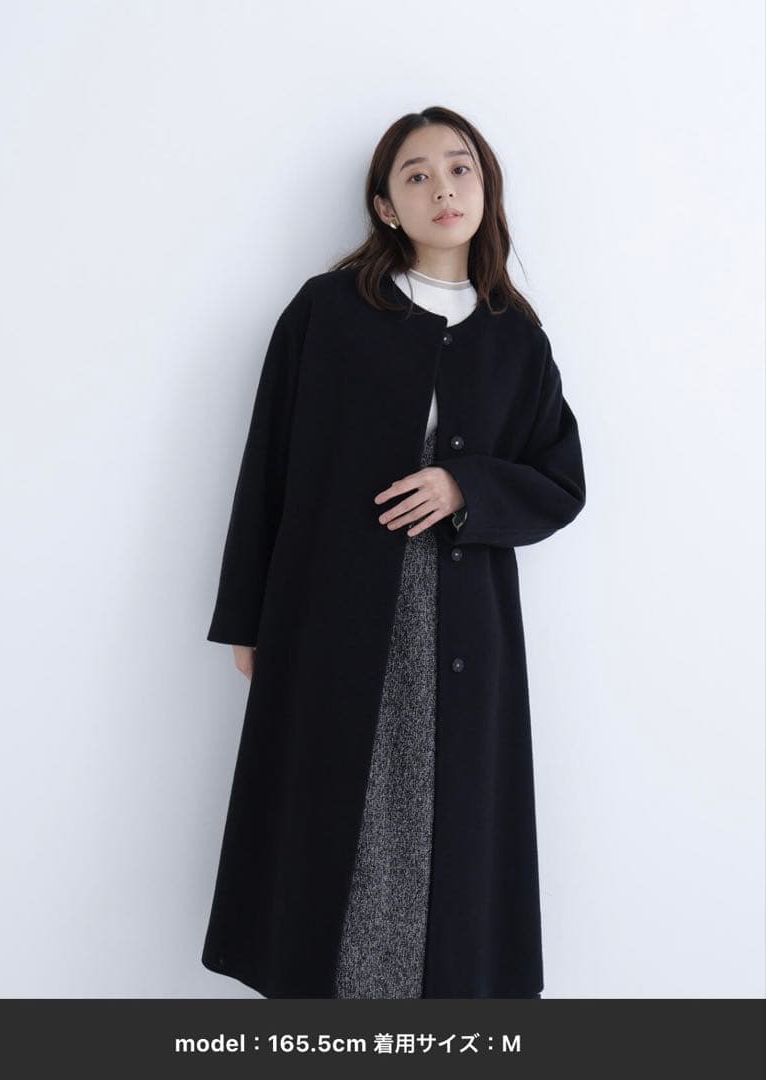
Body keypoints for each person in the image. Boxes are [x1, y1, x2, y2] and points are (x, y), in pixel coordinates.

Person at [202, 106, 586, 999]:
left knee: (444, 819)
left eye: (459, 168)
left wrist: (465, 487)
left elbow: (560, 482)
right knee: (336, 815)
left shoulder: (515, 338)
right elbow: (267, 467)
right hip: (330, 610)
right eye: (416, 175)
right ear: (385, 206)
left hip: (462, 625)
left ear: (485, 190)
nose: (442, 187)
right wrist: (247, 618)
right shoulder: (328, 312)